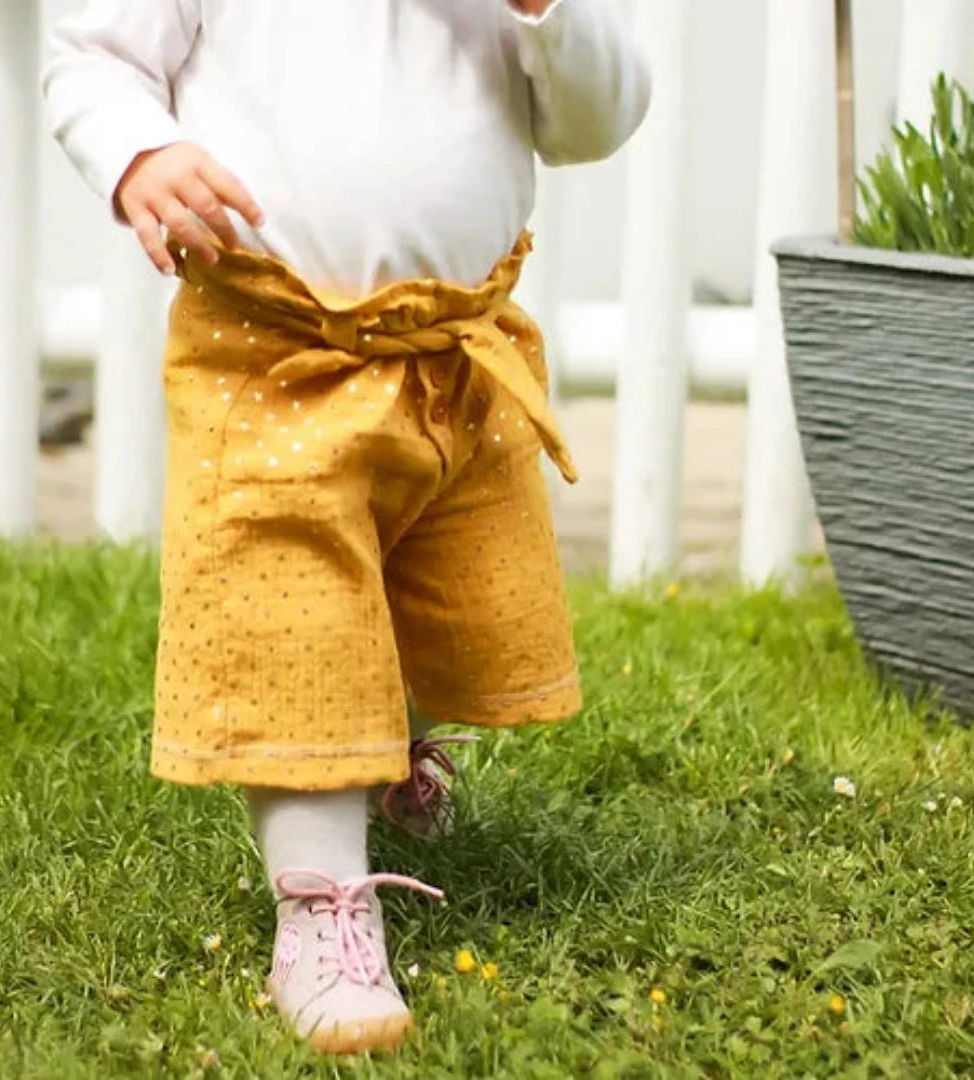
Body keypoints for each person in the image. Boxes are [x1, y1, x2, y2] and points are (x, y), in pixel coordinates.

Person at [43, 0, 649, 1054]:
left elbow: (596, 120)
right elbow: (90, 55)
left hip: (452, 350)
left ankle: (380, 751)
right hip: (273, 350)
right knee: (296, 618)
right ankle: (320, 911)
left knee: (431, 581)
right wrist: (140, 151)